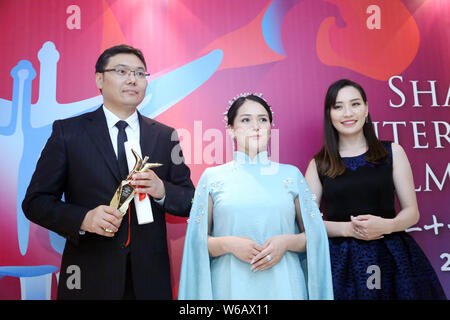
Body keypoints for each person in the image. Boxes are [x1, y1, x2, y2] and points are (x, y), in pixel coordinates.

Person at [22, 44, 195, 299]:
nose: (132, 79)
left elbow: (190, 200)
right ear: (99, 79)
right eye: (122, 71)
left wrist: (162, 191)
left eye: (139, 73)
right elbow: (35, 202)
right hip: (88, 276)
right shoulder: (68, 133)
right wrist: (84, 219)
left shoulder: (164, 136)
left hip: (149, 280)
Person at [178, 93, 333, 299]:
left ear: (270, 128)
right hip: (230, 287)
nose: (256, 126)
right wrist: (229, 244)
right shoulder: (212, 178)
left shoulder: (292, 175)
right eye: (245, 120)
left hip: (284, 285)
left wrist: (286, 242)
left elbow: (315, 236)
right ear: (231, 130)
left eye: (263, 119)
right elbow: (196, 241)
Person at [305, 79, 447, 300]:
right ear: (329, 114)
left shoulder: (392, 152)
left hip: (392, 256)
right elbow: (308, 221)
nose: (348, 113)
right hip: (341, 263)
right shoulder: (319, 164)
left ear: (366, 108)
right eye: (338, 106)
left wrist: (387, 225)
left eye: (355, 104)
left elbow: (412, 212)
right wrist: (349, 229)